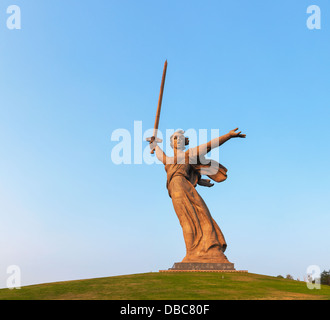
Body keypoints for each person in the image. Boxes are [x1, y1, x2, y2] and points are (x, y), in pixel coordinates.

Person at [150, 128, 246, 263]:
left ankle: (205, 250)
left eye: (181, 139)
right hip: (176, 188)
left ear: (185, 142)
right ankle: (192, 252)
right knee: (186, 220)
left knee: (202, 215)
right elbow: (160, 155)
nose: (178, 141)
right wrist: (153, 144)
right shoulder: (169, 160)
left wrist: (228, 136)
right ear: (172, 143)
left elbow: (209, 145)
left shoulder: (189, 155)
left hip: (184, 187)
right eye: (175, 139)